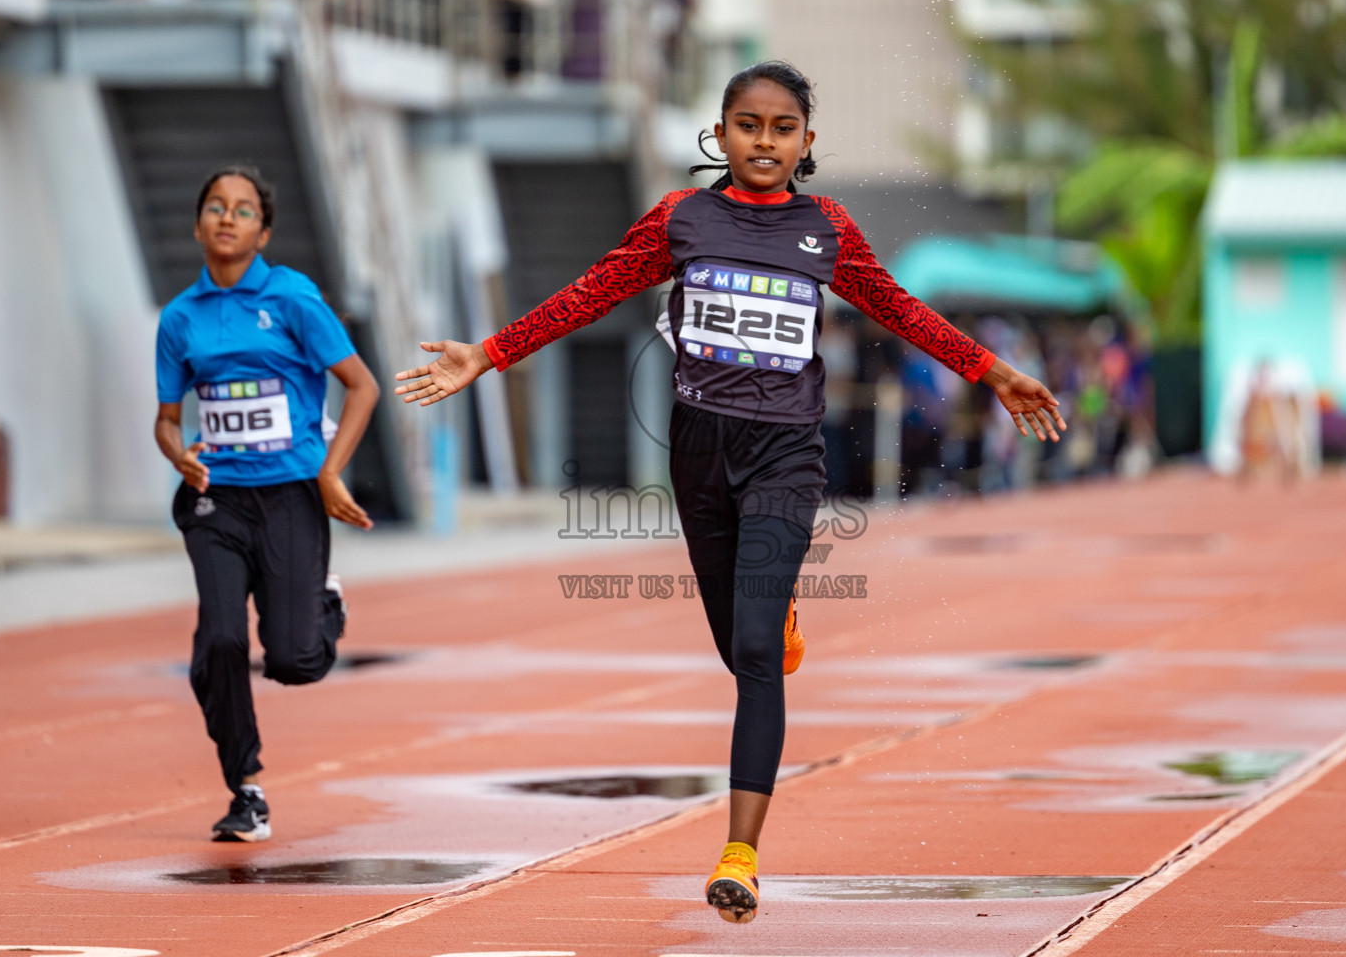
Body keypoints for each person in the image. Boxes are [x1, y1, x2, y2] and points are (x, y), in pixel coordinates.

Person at [392, 61, 1063, 922]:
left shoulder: (829, 229)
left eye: (783, 129)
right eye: (748, 125)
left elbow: (897, 307)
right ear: (721, 131)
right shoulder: (682, 218)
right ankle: (771, 619)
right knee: (738, 643)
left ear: (807, 144)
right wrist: (487, 353)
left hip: (786, 458)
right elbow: (591, 293)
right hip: (698, 457)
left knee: (752, 657)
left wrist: (992, 369)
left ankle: (740, 855)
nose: (764, 142)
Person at [153, 166, 380, 842]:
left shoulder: (292, 300)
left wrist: (331, 472)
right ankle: (244, 787)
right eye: (215, 207)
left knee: (293, 660)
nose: (227, 217)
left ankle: (325, 603)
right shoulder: (179, 318)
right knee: (220, 642)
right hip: (214, 499)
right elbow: (166, 418)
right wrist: (177, 452)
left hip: (290, 496)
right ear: (198, 226)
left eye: (243, 210)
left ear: (263, 231)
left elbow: (361, 387)